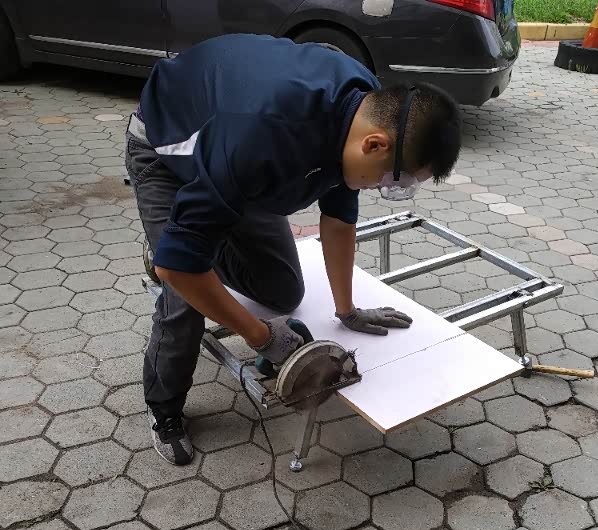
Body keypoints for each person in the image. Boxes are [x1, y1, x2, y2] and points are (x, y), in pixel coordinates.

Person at [125, 33, 461, 465]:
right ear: (375, 144)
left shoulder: (363, 109)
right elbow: (182, 269)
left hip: (232, 164)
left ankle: (185, 239)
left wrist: (348, 311)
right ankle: (164, 409)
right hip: (169, 149)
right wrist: (261, 336)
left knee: (283, 292)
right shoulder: (261, 139)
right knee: (185, 293)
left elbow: (339, 219)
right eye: (394, 181)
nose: (384, 188)